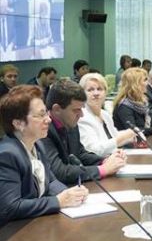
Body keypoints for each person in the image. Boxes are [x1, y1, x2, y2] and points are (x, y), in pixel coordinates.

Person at [0, 85, 88, 225]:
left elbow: (51, 182)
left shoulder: (38, 145)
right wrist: (57, 201)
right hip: (14, 232)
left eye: (46, 113)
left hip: (34, 223)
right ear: (18, 123)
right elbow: (10, 207)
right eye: (41, 115)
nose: (49, 119)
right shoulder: (7, 155)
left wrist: (71, 194)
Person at [39, 79, 126, 185]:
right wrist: (102, 170)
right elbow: (59, 172)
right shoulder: (43, 130)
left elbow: (80, 154)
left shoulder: (69, 123)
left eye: (82, 109)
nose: (81, 115)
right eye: (76, 110)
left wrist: (104, 161)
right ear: (57, 109)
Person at [78, 73, 136, 157]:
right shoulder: (82, 117)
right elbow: (93, 150)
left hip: (114, 158)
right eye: (90, 90)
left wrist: (131, 135)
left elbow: (114, 135)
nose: (96, 93)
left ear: (105, 92)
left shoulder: (105, 114)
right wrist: (121, 138)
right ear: (82, 94)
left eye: (99, 89)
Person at [113, 67, 152, 137]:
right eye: (144, 80)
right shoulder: (124, 106)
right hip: (130, 143)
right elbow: (134, 131)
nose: (147, 83)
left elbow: (144, 122)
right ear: (135, 84)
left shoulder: (139, 101)